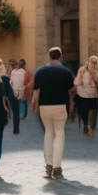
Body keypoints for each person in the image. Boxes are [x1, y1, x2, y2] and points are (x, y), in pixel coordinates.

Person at [31, 47, 76, 179]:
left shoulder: (40, 71)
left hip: (44, 106)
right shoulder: (66, 72)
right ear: (60, 56)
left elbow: (36, 89)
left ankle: (48, 165)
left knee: (48, 133)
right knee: (59, 134)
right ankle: (57, 166)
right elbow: (71, 88)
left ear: (49, 56)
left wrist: (34, 103)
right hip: (60, 105)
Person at [73, 56, 98, 137]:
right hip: (93, 94)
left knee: (84, 111)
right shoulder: (96, 71)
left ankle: (86, 124)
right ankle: (90, 126)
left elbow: (78, 81)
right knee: (93, 112)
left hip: (83, 94)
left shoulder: (82, 70)